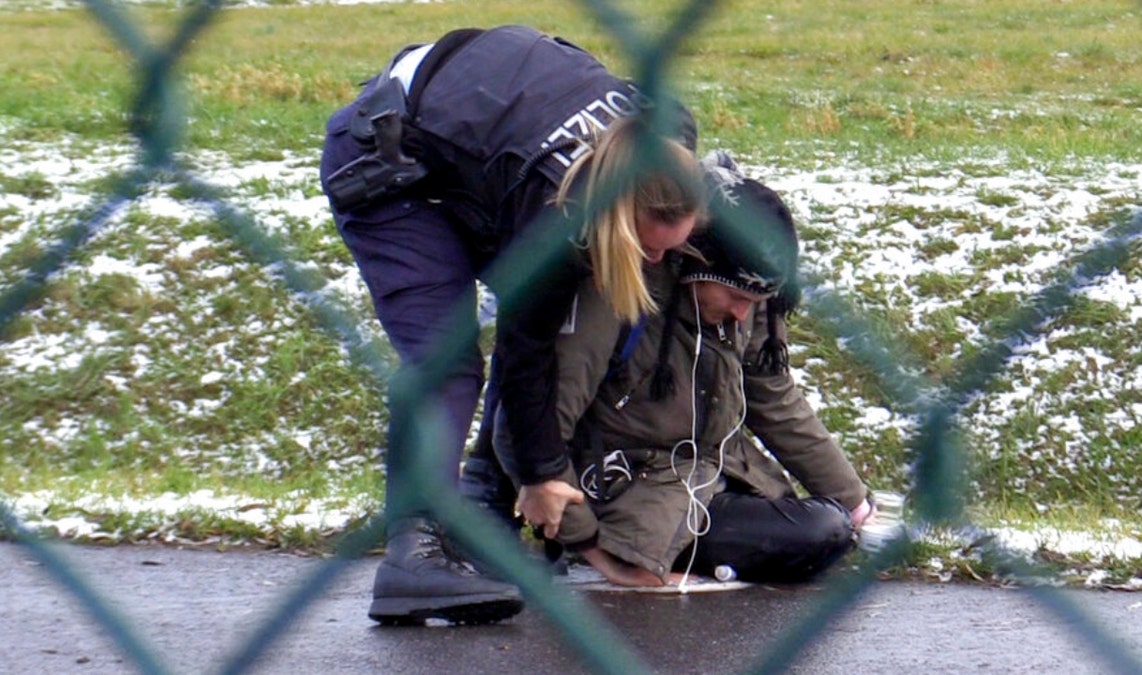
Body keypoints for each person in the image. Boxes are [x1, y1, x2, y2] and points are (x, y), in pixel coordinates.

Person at [319, 25, 705, 624]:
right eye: (648, 248)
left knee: (578, 300)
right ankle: (412, 553)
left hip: (475, 148)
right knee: (446, 360)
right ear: (614, 215)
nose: (657, 262)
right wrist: (543, 472)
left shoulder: (667, 136)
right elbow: (528, 347)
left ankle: (482, 509)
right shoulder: (556, 218)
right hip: (383, 160)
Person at [487, 154, 875, 586]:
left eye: (756, 303)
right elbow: (527, 426)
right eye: (735, 297)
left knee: (833, 523)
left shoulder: (747, 295)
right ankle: (646, 552)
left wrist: (855, 502)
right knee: (820, 532)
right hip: (629, 490)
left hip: (708, 474)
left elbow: (773, 396)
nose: (742, 313)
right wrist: (591, 546)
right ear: (693, 263)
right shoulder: (617, 293)